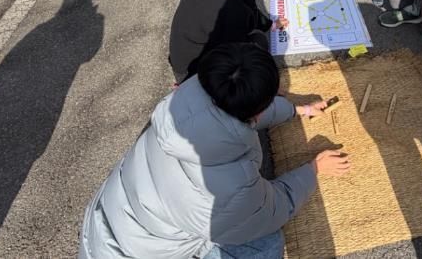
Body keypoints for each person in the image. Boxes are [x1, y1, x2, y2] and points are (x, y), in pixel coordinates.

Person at [79, 44, 350, 259]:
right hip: (131, 253)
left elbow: (233, 111)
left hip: (104, 226)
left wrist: (298, 110)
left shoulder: (187, 98)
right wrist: (314, 169)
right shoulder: (233, 184)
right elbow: (271, 211)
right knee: (266, 244)